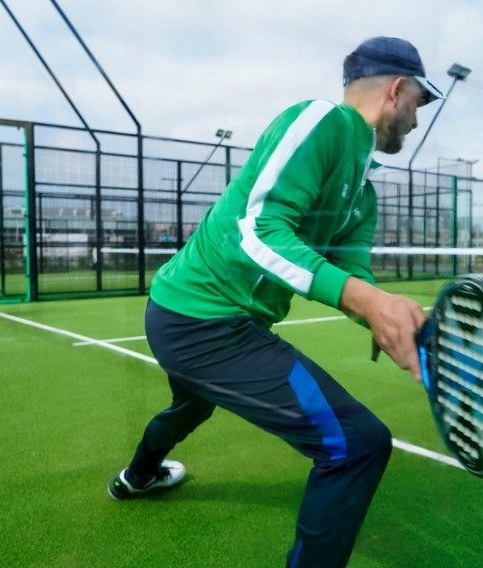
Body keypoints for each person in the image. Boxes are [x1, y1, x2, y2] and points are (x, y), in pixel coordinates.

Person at [108, 37, 443, 568]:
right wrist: (364, 299)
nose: (416, 120)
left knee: (191, 404)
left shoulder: (364, 189)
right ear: (397, 90)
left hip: (194, 319)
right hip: (204, 322)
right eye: (418, 104)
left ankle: (137, 476)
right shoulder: (321, 121)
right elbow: (257, 229)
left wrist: (387, 318)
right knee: (356, 444)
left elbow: (352, 274)